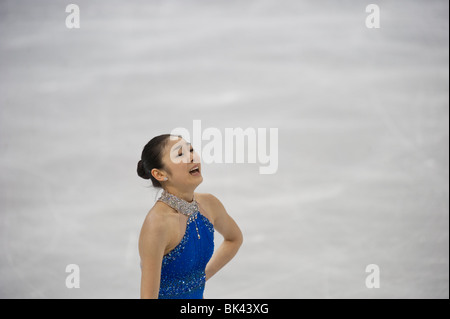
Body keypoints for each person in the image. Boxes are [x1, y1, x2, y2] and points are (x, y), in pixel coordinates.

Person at [137, 134, 243, 299]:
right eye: (180, 154)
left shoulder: (209, 204)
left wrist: (200, 278)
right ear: (159, 174)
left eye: (191, 150)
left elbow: (234, 239)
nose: (192, 157)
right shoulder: (158, 224)